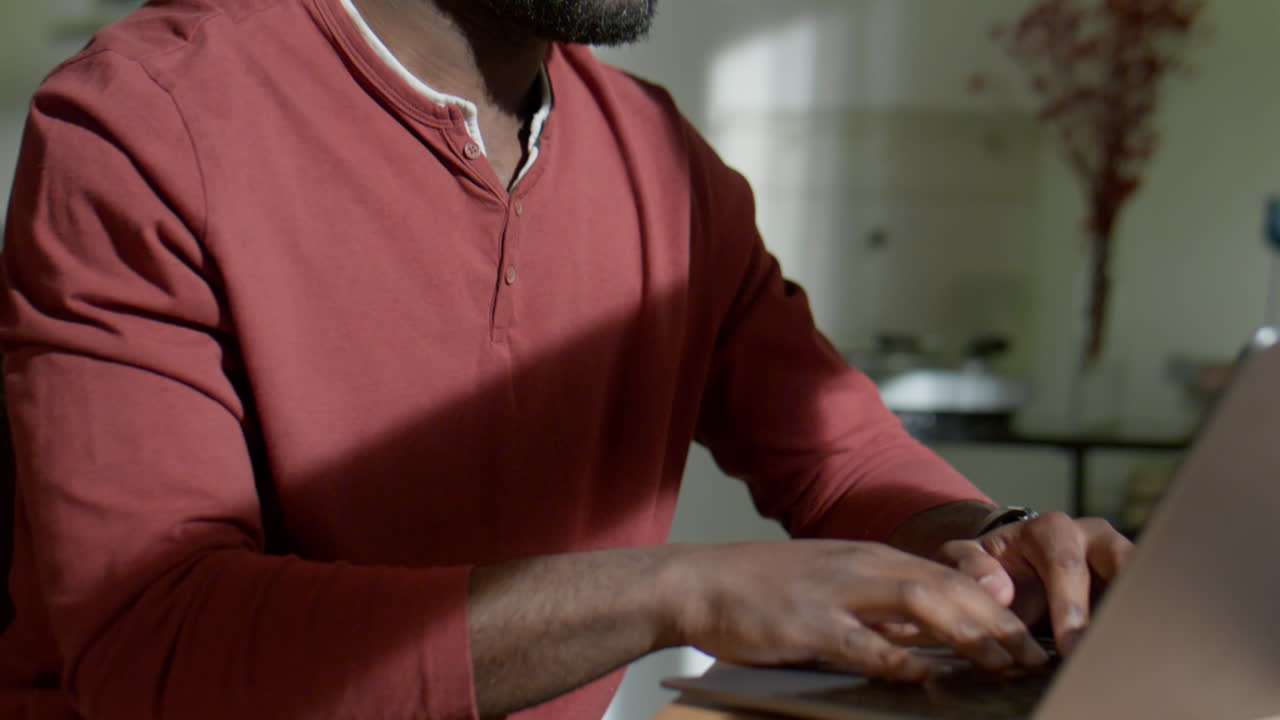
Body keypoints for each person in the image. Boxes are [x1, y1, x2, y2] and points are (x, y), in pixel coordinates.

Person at [0, 0, 1133, 718]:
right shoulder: (145, 120)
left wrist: (991, 544)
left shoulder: (661, 159)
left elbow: (835, 454)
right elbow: (159, 648)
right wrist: (683, 587)